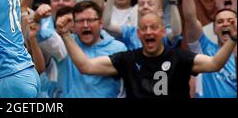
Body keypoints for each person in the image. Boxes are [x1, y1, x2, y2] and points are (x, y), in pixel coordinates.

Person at [56, 11, 237, 98]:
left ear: (163, 32)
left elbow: (214, 64)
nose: (149, 32)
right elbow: (86, 66)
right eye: (144, 28)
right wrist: (65, 35)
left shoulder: (180, 57)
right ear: (138, 34)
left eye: (154, 28)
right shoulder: (127, 59)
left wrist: (233, 38)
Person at [48, 2, 127, 97]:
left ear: (100, 23)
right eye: (80, 21)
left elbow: (86, 67)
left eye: (90, 20)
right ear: (74, 25)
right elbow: (43, 37)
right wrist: (40, 17)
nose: (85, 25)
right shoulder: (64, 43)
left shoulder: (118, 48)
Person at [183, 0, 237, 98]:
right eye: (220, 22)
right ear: (214, 29)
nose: (225, 24)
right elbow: (190, 19)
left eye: (230, 21)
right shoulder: (204, 48)